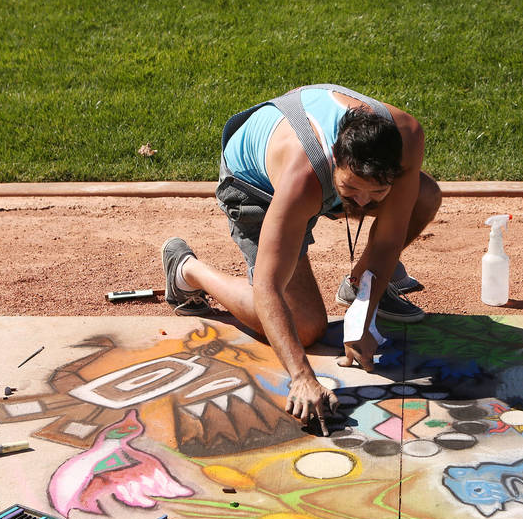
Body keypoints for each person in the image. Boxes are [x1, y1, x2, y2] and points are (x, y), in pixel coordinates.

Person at [161, 84, 441, 434]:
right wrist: (302, 377)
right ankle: (188, 271)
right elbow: (268, 285)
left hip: (321, 179)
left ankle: (358, 287)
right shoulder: (302, 176)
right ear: (336, 160)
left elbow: (386, 242)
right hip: (254, 186)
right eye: (351, 190)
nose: (365, 204)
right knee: (306, 327)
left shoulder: (408, 136)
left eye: (378, 193)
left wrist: (362, 317)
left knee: (424, 197)